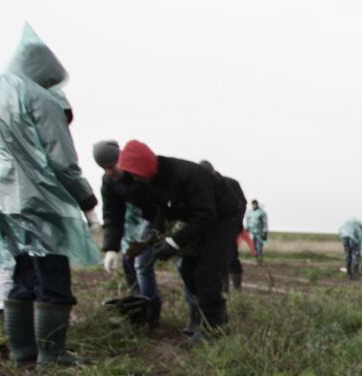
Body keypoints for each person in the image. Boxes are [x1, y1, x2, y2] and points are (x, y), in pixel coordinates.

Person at [0, 23, 99, 366]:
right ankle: (52, 356)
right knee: (53, 278)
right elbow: (62, 160)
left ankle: (23, 354)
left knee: (21, 273)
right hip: (39, 200)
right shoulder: (41, 97)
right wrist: (87, 202)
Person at [102, 141, 244, 343]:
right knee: (188, 269)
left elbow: (206, 215)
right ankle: (214, 318)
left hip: (223, 218)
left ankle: (214, 332)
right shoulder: (153, 180)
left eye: (135, 173)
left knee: (207, 272)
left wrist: (174, 242)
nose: (133, 178)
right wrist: (155, 239)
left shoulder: (187, 174)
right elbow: (164, 212)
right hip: (199, 219)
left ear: (144, 166)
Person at [93, 140, 162, 327]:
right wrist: (111, 248)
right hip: (138, 220)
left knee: (144, 263)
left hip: (159, 216)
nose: (109, 171)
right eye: (104, 168)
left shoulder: (139, 171)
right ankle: (144, 308)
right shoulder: (109, 182)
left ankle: (154, 310)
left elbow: (161, 201)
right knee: (134, 263)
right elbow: (112, 215)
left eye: (111, 166)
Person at [199, 161, 247, 293]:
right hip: (213, 228)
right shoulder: (203, 185)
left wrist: (235, 224)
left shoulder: (230, 183)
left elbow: (241, 205)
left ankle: (237, 291)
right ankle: (223, 289)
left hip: (231, 228)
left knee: (231, 257)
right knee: (217, 259)